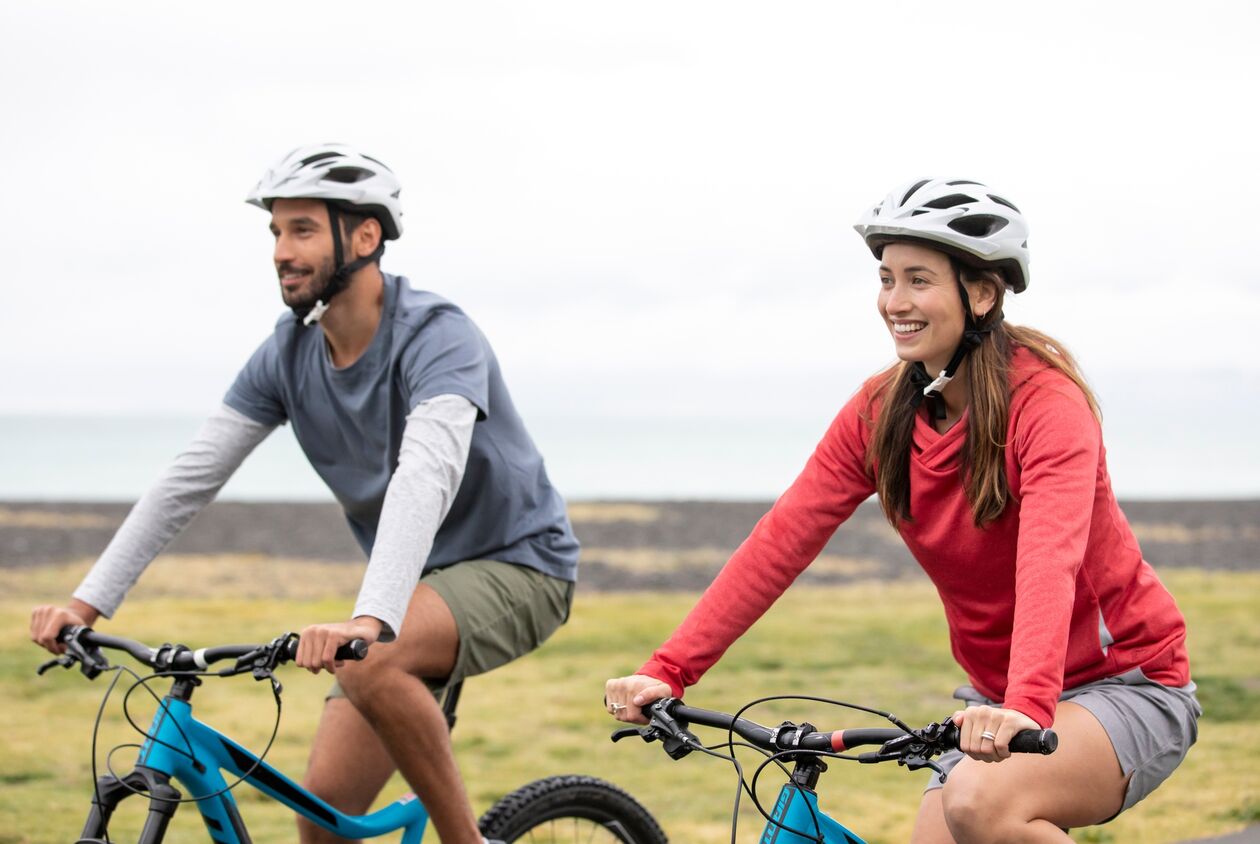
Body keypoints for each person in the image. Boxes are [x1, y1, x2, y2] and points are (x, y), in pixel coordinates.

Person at [605, 178, 1200, 842]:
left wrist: (1028, 705)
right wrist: (668, 669)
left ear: (982, 293)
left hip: (1123, 684)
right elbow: (781, 542)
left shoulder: (1047, 405)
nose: (895, 301)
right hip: (995, 703)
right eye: (887, 279)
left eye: (919, 280)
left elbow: (1048, 562)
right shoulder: (880, 410)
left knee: (979, 806)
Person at [30, 143, 579, 844]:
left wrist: (371, 620)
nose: (281, 252)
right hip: (410, 588)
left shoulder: (438, 336)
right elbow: (189, 479)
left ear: (365, 236)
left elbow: (425, 473)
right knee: (323, 823)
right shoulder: (287, 353)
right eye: (276, 232)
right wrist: (86, 603)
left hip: (519, 565)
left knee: (373, 662)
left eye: (303, 230)